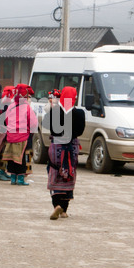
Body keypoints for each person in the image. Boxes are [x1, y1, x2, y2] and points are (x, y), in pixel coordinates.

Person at [43, 86, 85, 220]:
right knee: (69, 173)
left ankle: (56, 205)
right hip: (72, 147)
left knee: (55, 171)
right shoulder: (79, 113)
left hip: (56, 146)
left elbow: (46, 125)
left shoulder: (54, 111)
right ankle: (64, 210)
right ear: (75, 98)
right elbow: (80, 131)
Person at [2, 84, 38, 185]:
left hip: (11, 136)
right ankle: (21, 179)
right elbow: (33, 123)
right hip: (23, 137)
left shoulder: (10, 106)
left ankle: (13, 179)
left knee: (12, 158)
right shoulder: (27, 107)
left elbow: (6, 120)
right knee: (21, 159)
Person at [0, 85, 14, 181]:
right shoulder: (5, 103)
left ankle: (3, 171)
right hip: (3, 130)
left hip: (3, 129)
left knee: (3, 151)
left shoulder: (1, 102)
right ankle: (0, 172)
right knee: (1, 151)